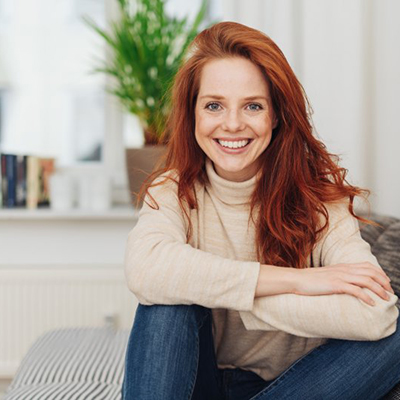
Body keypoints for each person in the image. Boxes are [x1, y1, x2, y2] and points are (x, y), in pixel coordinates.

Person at [121, 21, 400, 400]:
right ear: (193, 115)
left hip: (291, 387)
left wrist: (239, 297)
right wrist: (299, 281)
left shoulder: (319, 198)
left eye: (253, 106)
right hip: (196, 381)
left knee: (394, 339)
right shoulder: (172, 189)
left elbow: (376, 314)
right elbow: (145, 269)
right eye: (214, 105)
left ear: (277, 116)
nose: (232, 124)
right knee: (165, 306)